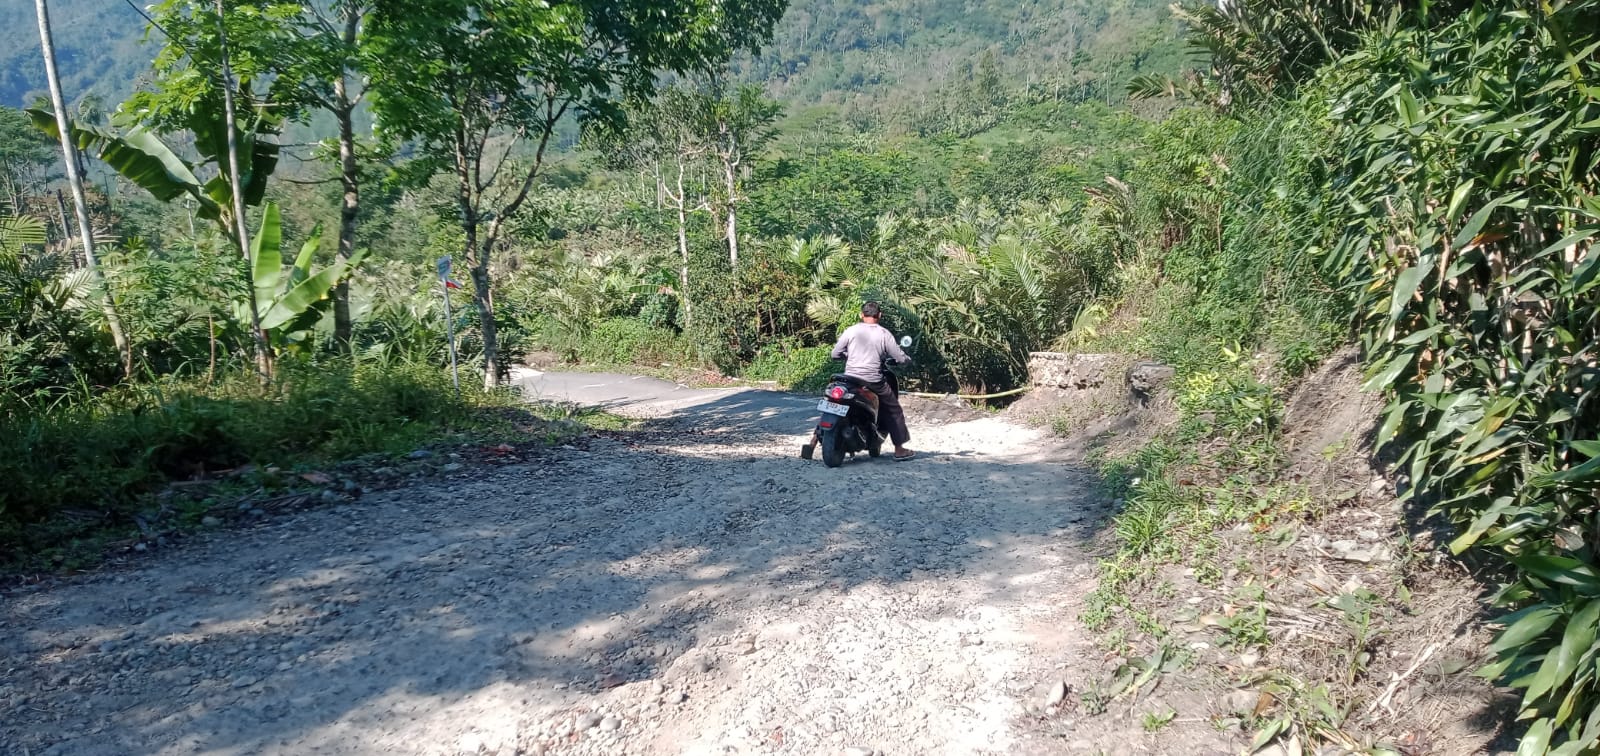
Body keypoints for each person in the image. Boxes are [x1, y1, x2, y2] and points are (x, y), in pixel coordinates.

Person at [830, 301, 915, 461]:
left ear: (862, 315)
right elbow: (898, 356)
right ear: (880, 315)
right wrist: (906, 359)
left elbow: (835, 354)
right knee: (893, 409)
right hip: (873, 380)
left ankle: (813, 441)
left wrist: (847, 356)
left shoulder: (851, 330)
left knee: (832, 402)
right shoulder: (883, 334)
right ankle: (899, 449)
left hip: (850, 378)